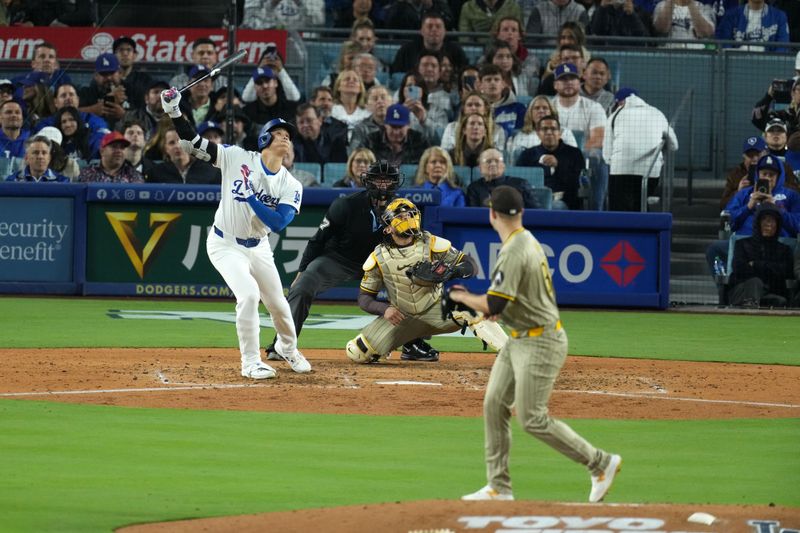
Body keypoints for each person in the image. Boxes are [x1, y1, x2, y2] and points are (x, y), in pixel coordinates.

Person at [450, 185, 622, 503]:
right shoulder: (526, 239)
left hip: (541, 342)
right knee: (494, 404)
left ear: (492, 215)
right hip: (520, 338)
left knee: (532, 417)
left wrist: (461, 297)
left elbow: (493, 305)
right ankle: (498, 487)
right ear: (521, 213)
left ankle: (600, 463)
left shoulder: (514, 250)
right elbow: (512, 300)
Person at [161, 86, 311, 379]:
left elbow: (280, 223)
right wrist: (175, 112)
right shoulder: (237, 157)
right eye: (280, 133)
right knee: (248, 295)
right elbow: (193, 144)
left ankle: (287, 349)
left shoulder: (292, 184)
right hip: (225, 243)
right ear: (265, 138)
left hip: (259, 245)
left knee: (279, 304)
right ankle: (251, 362)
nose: (285, 138)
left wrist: (252, 199)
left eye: (288, 136)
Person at [271, 160, 442, 362]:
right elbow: (318, 239)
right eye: (379, 180)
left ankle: (413, 344)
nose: (383, 185)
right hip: (340, 259)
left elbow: (412, 245)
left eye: (388, 181)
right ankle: (282, 345)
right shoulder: (346, 204)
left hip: (381, 263)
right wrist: (302, 270)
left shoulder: (403, 210)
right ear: (368, 182)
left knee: (417, 288)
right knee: (303, 286)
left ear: (395, 183)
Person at [345, 196, 477, 364]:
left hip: (436, 309)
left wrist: (450, 272)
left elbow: (471, 265)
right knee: (357, 352)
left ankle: (508, 350)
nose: (406, 218)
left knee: (477, 310)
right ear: (387, 229)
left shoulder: (430, 242)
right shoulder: (378, 256)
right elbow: (364, 299)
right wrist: (384, 309)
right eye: (400, 217)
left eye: (409, 215)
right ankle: (410, 346)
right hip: (402, 316)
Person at [602, 88, 678, 212]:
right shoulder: (657, 113)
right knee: (641, 202)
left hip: (621, 172)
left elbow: (606, 155)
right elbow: (674, 145)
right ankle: (645, 229)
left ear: (619, 102)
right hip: (650, 172)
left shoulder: (615, 116)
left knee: (619, 208)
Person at [552, 62, 608, 210]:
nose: (569, 82)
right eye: (563, 79)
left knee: (598, 156)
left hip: (582, 158)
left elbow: (598, 138)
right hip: (552, 156)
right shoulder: (548, 107)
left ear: (579, 82)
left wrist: (572, 157)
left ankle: (596, 210)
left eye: (573, 79)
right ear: (555, 85)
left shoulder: (593, 107)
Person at [727, 203, 794, 308]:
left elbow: (786, 272)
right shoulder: (742, 244)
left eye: (772, 220)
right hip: (743, 291)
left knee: (779, 300)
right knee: (755, 282)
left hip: (769, 292)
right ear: (757, 223)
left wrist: (756, 264)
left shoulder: (784, 250)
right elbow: (738, 268)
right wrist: (770, 269)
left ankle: (754, 303)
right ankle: (751, 306)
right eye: (764, 219)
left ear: (778, 225)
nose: (768, 224)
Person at [518, 114, 585, 209]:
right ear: (538, 133)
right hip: (533, 199)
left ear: (560, 133)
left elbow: (579, 184)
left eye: (553, 129)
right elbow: (519, 182)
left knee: (554, 207)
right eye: (544, 129)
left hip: (563, 200)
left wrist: (559, 165)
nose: (549, 132)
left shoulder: (574, 153)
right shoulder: (527, 155)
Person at [506, 95, 577, 164]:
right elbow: (514, 160)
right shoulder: (521, 135)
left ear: (552, 112)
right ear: (530, 113)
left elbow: (574, 157)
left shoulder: (565, 132)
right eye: (537, 108)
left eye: (545, 108)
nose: (541, 111)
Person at [391, 11, 468, 75]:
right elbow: (396, 76)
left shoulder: (456, 51)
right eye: (429, 26)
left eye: (438, 26)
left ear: (444, 31)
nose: (434, 30)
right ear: (422, 31)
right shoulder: (406, 50)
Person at [466, 148, 542, 207]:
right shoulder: (474, 188)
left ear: (504, 166)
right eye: (488, 161)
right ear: (480, 167)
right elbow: (473, 214)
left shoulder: (521, 184)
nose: (493, 164)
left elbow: (536, 211)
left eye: (497, 161)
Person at [149, 127, 222, 185]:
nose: (177, 146)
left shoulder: (211, 171)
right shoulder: (156, 173)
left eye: (181, 142)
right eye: (171, 143)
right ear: (165, 148)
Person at [364, 103, 431, 165]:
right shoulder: (371, 141)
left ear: (408, 125)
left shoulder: (420, 141)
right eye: (393, 127)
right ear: (385, 125)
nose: (396, 132)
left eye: (400, 127)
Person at [490, 16, 541, 96]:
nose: (510, 33)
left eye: (514, 30)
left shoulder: (532, 59)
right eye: (505, 30)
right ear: (498, 34)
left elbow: (528, 81)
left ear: (520, 35)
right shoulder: (486, 58)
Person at [441, 91, 506, 154]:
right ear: (464, 109)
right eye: (469, 105)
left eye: (477, 105)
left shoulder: (498, 130)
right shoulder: (451, 127)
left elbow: (498, 155)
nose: (473, 108)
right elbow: (445, 154)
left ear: (485, 109)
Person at [716, 0, 790, 52]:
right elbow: (723, 44)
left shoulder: (779, 16)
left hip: (768, 66)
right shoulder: (731, 15)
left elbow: (783, 47)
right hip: (737, 65)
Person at [78, 52, 129, 126]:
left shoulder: (132, 90)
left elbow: (145, 117)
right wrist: (92, 110)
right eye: (104, 74)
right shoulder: (86, 93)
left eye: (111, 73)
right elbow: (70, 114)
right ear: (95, 76)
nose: (108, 78)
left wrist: (124, 115)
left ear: (120, 73)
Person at [719, 136, 768, 211]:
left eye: (758, 154)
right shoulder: (735, 174)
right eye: (750, 155)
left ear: (765, 154)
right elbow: (723, 206)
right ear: (744, 156)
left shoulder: (774, 172)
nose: (754, 159)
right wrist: (738, 192)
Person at [478, 64, 526, 138]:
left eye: (496, 79)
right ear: (480, 85)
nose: (492, 82)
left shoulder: (519, 109)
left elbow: (522, 135)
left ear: (503, 84)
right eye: (488, 80)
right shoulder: (473, 108)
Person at [77, 131, 144, 183]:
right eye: (114, 147)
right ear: (102, 151)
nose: (119, 151)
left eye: (122, 147)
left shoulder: (134, 175)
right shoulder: (87, 173)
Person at [113, 36, 152, 112]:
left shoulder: (145, 80)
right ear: (114, 55)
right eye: (121, 50)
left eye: (129, 50)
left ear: (135, 55)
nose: (125, 54)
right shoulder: (107, 79)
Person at [459, 0, 523, 35]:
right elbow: (464, 37)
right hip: (478, 51)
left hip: (506, 50)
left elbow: (520, 33)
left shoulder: (513, 6)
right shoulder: (468, 7)